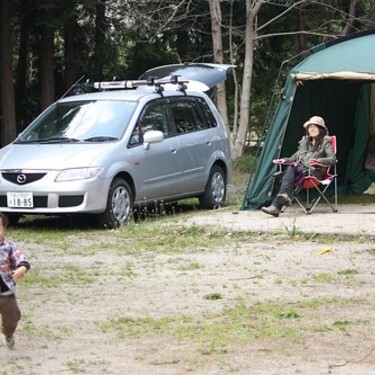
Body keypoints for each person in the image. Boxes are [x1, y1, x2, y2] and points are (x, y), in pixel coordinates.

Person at [261, 115, 336, 217]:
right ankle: (280, 202)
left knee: (289, 172)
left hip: (314, 172)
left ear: (321, 129)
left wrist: (318, 160)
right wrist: (285, 160)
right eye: (310, 127)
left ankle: (276, 205)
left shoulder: (325, 143)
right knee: (291, 168)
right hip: (301, 171)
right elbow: (295, 157)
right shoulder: (305, 143)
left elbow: (332, 159)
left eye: (315, 126)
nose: (312, 129)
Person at [0, 212, 31, 349]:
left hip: (6, 293)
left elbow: (20, 257)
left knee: (13, 317)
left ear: (4, 229)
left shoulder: (9, 246)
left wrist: (22, 267)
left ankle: (7, 333)